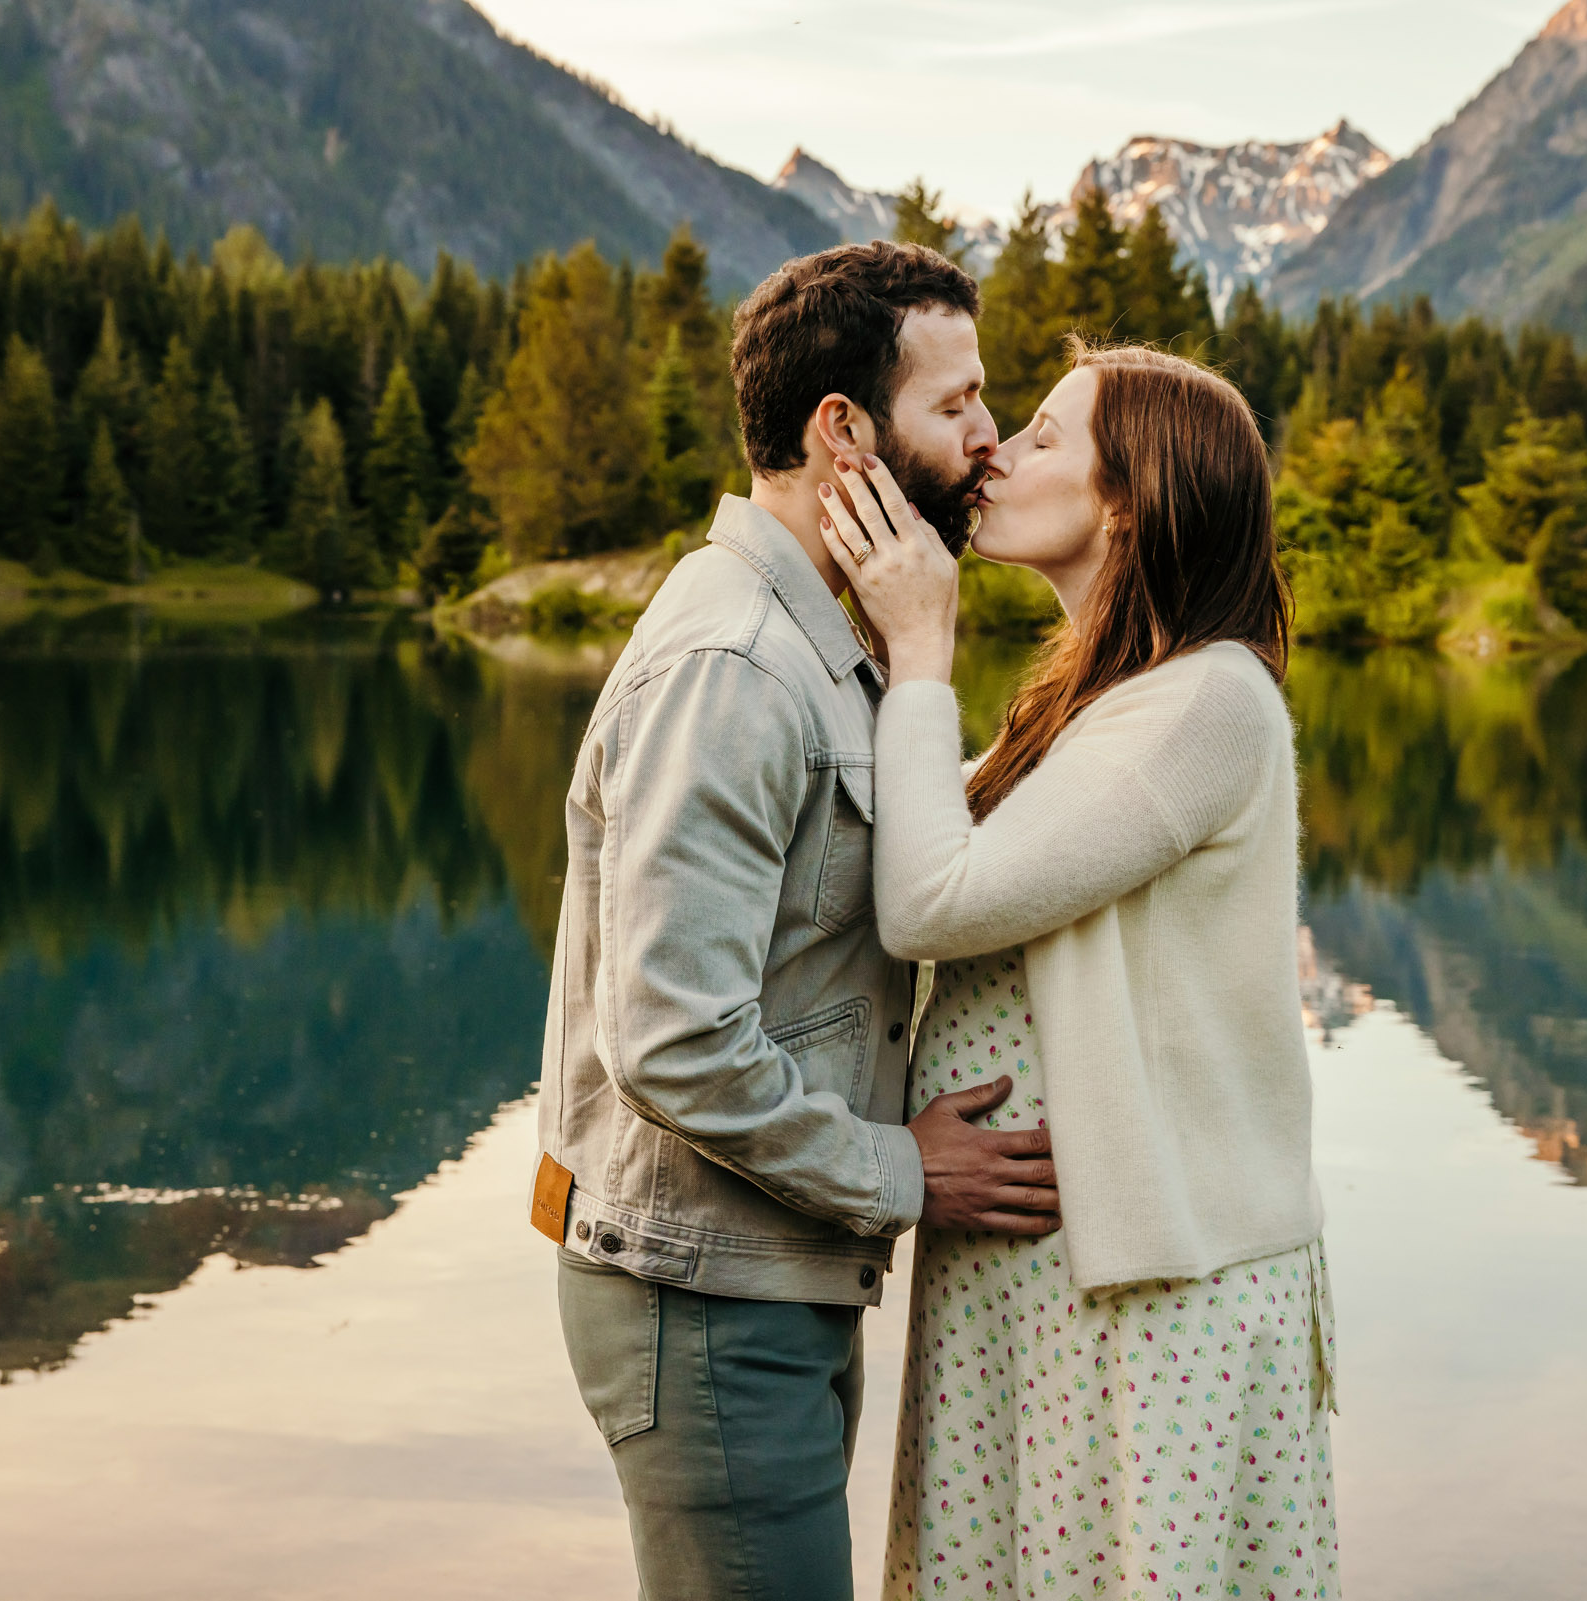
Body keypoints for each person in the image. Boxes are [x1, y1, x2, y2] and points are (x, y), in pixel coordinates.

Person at [534, 242, 1064, 1601]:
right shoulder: (738, 668)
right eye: (958, 405)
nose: (988, 439)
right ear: (844, 432)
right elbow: (669, 1038)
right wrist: (907, 1173)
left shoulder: (815, 644)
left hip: (758, 1280)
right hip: (703, 1298)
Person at [819, 341, 1339, 1599]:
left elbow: (935, 900)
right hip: (1041, 1281)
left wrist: (923, 648)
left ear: (1131, 496)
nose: (996, 446)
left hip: (1154, 1294)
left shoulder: (1205, 703)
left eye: (1044, 434)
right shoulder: (1091, 701)